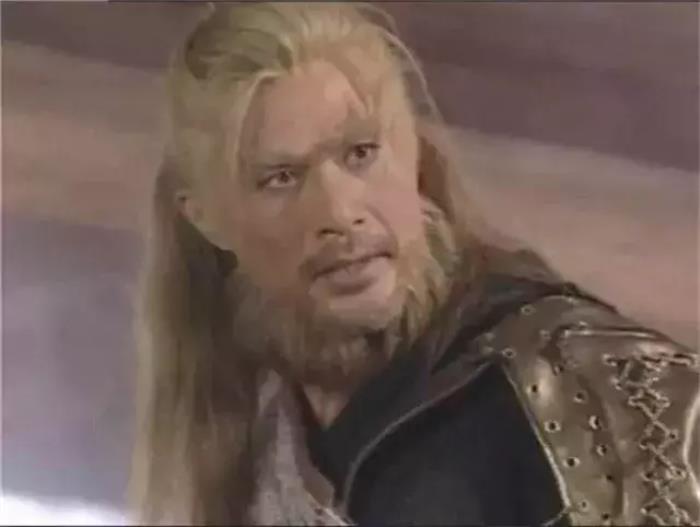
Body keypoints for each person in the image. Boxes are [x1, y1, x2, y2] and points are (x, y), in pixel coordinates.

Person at [129, 3, 699, 525]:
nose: (340, 213)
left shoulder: (591, 392)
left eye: (361, 153)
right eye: (281, 178)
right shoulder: (248, 437)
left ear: (415, 155)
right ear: (207, 219)